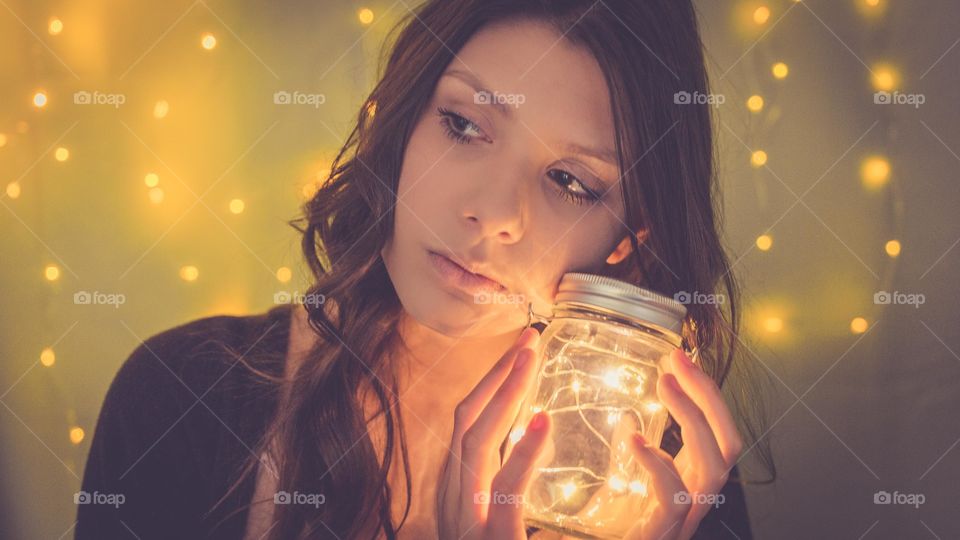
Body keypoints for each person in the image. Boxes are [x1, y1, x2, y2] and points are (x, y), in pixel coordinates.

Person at [78, 0, 773, 538]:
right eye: (464, 126)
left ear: (628, 237)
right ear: (400, 124)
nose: (494, 212)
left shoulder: (655, 480)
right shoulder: (182, 398)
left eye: (570, 180)